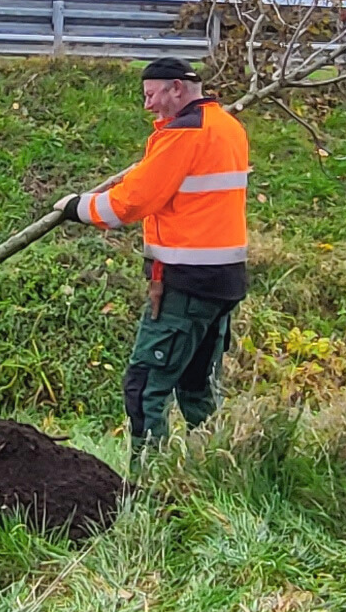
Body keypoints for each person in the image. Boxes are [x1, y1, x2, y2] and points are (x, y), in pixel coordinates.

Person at [62, 56, 251, 465]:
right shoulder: (227, 128)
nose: (147, 105)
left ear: (176, 89)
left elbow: (129, 204)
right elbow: (163, 182)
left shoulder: (183, 136)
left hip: (185, 284)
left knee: (146, 386)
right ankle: (220, 467)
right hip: (223, 282)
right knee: (198, 386)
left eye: (151, 95)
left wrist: (76, 207)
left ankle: (148, 483)